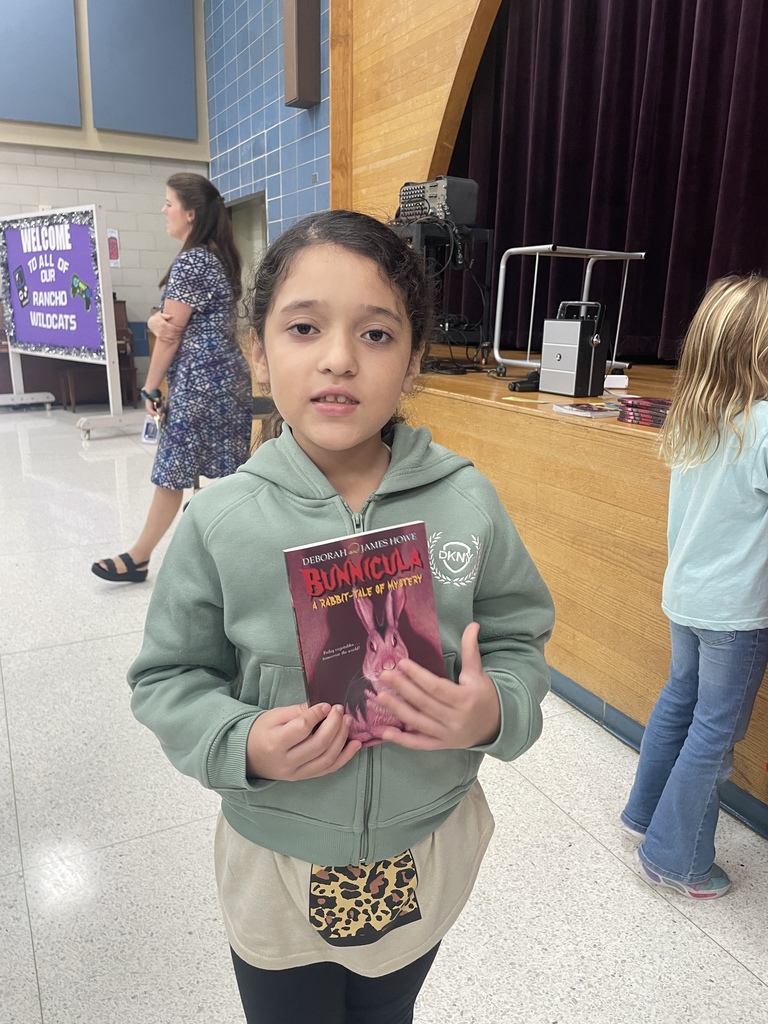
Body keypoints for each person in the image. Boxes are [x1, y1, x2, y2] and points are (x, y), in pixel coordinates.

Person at [128, 210, 554, 1023]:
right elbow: (167, 677)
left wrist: (495, 706)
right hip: (278, 855)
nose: (338, 359)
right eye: (303, 327)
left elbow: (516, 638)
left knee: (389, 1012)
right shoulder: (220, 521)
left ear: (415, 359)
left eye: (377, 335)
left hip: (426, 846)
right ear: (258, 348)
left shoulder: (465, 501)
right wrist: (241, 741)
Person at [621, 273, 768, 899]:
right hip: (736, 614)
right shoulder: (763, 426)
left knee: (680, 701)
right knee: (715, 730)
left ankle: (644, 815)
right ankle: (674, 859)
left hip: (686, 598)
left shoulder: (695, 417)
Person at [92, 173, 252, 583]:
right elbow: (173, 323)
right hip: (226, 377)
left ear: (190, 213)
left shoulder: (192, 260)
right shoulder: (216, 256)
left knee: (173, 471)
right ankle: (235, 560)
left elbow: (170, 333)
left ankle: (139, 557)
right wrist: (154, 319)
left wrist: (150, 386)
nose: (163, 210)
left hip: (200, 381)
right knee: (224, 470)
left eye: (168, 203)